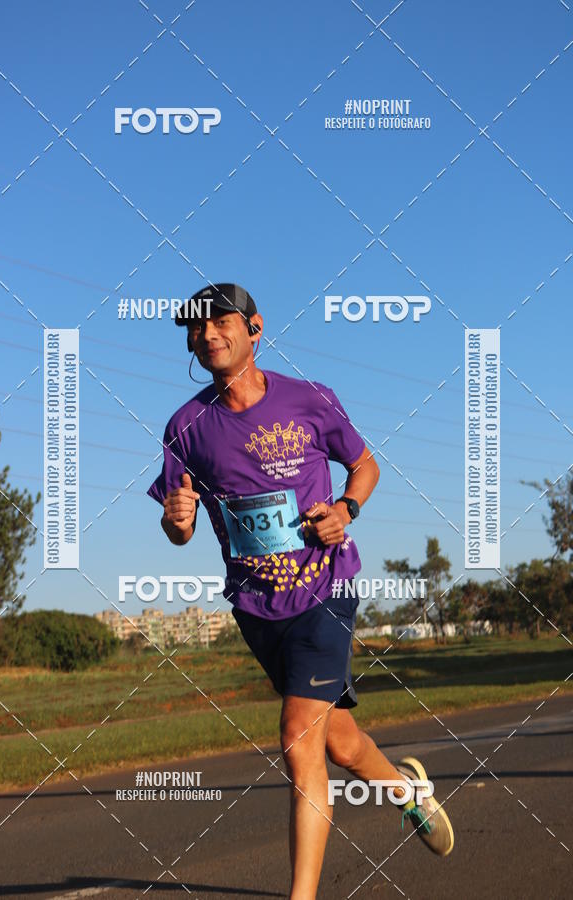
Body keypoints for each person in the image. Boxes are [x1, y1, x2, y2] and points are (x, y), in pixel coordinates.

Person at [148, 283, 454, 898]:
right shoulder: (186, 426)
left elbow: (365, 465)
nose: (208, 334)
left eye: (221, 322)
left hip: (326, 587)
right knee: (337, 743)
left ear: (254, 328)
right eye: (196, 327)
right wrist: (176, 521)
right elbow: (177, 527)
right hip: (256, 606)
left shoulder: (309, 399)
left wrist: (346, 507)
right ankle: (406, 791)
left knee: (296, 738)